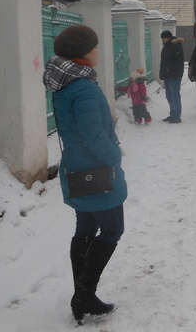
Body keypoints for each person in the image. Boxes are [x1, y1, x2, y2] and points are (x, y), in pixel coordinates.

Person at [43, 25, 126, 325]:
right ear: (84, 52)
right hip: (97, 172)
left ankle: (82, 296)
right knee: (112, 230)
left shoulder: (66, 84)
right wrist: (114, 155)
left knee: (86, 229)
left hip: (78, 169)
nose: (98, 50)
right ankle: (84, 296)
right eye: (95, 46)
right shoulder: (84, 88)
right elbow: (93, 135)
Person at [159, 30, 184, 123]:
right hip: (167, 75)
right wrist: (162, 72)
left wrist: (174, 73)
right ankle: (173, 113)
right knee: (169, 95)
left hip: (175, 76)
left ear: (168, 38)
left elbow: (178, 62)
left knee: (175, 95)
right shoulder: (165, 47)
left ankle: (177, 115)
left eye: (163, 38)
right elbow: (163, 62)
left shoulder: (176, 46)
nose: (162, 40)